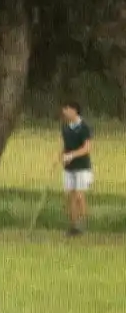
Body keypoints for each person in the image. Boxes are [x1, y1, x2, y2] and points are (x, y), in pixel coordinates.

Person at [59, 100, 93, 236]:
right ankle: (73, 227)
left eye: (66, 109)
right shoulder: (66, 128)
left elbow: (87, 148)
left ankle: (82, 223)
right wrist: (61, 158)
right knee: (71, 196)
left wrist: (72, 155)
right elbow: (65, 146)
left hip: (82, 167)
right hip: (69, 168)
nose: (64, 112)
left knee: (79, 195)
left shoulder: (84, 127)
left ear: (74, 110)